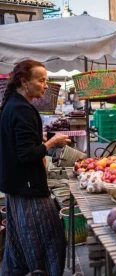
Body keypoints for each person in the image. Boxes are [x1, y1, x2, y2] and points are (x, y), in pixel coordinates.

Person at [0, 60, 71, 276]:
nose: (45, 85)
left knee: (18, 244)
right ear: (24, 82)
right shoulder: (22, 109)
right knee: (50, 239)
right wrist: (50, 144)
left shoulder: (13, 104)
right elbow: (25, 155)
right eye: (41, 80)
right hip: (27, 187)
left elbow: (16, 143)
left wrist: (37, 141)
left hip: (15, 185)